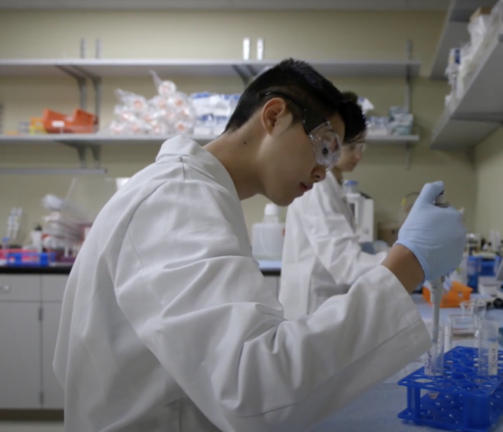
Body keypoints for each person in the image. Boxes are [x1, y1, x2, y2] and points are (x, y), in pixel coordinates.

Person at [53, 58, 466, 432]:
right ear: (274, 116)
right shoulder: (176, 200)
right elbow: (252, 387)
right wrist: (407, 264)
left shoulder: (198, 195)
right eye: (324, 148)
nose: (324, 171)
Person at [280, 91, 386, 319]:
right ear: (330, 143)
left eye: (362, 147)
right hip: (312, 307)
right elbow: (346, 265)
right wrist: (406, 257)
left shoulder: (333, 185)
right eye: (352, 147)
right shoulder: (318, 187)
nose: (359, 156)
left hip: (324, 303)